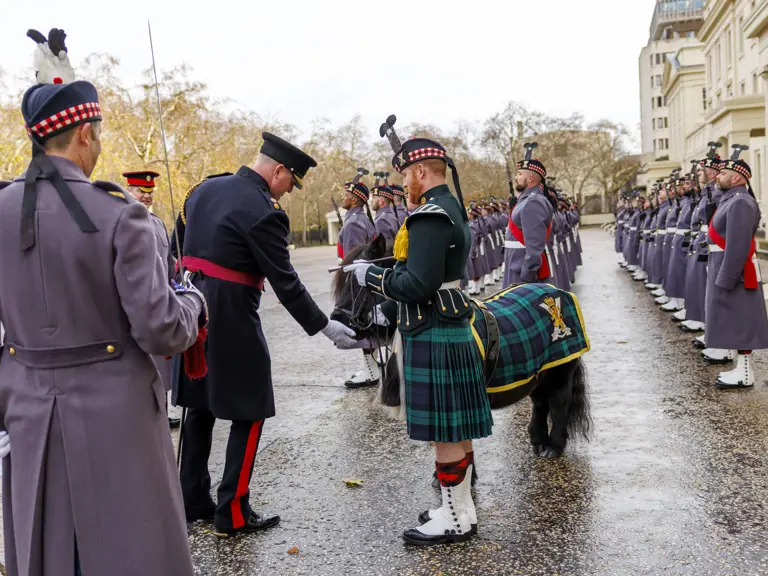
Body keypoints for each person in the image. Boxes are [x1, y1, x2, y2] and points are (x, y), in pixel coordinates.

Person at [0, 28, 206, 576]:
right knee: (130, 551)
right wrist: (192, 303)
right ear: (85, 135)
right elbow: (162, 329)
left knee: (44, 550)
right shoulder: (122, 215)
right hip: (114, 410)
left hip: (23, 406)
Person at [172, 133, 357, 535]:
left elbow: (177, 245)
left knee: (199, 406)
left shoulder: (201, 189)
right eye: (291, 182)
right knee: (251, 409)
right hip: (232, 316)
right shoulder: (264, 211)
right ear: (277, 170)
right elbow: (286, 283)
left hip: (189, 309)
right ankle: (232, 512)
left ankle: (191, 500)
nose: (289, 191)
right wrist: (326, 328)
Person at [344, 126, 493, 545]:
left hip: (431, 328)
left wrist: (372, 275)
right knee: (455, 430)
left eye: (404, 175)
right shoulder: (451, 209)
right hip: (446, 324)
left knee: (444, 433)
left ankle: (455, 519)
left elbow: (419, 285)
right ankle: (459, 509)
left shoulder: (429, 214)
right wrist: (387, 297)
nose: (401, 184)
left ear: (422, 171)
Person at [702, 146, 768, 387]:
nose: (717, 176)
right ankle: (740, 369)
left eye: (723, 174)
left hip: (736, 273)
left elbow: (738, 246)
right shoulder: (730, 199)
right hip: (726, 267)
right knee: (733, 320)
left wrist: (726, 278)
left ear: (738, 178)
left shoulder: (740, 202)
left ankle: (745, 374)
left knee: (741, 322)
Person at [123, 170, 180, 429]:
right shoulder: (122, 219)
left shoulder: (157, 223)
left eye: (149, 192)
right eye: (140, 191)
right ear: (129, 190)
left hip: (160, 299)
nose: (145, 196)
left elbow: (168, 264)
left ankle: (161, 413)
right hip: (134, 305)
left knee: (161, 365)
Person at [337, 175, 380, 389]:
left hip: (357, 280)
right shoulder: (362, 219)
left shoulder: (354, 223)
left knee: (360, 325)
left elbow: (353, 260)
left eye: (346, 195)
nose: (343, 198)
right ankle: (372, 367)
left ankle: (370, 372)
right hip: (368, 278)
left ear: (354, 200)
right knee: (367, 324)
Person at [502, 146, 554, 287]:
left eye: (519, 174)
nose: (516, 178)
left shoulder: (533, 202)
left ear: (530, 178)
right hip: (515, 266)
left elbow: (535, 246)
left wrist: (526, 275)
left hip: (521, 274)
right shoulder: (526, 200)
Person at [371, 182, 400, 251]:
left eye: (374, 198)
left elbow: (386, 250)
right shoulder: (392, 216)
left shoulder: (381, 220)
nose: (371, 201)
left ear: (381, 201)